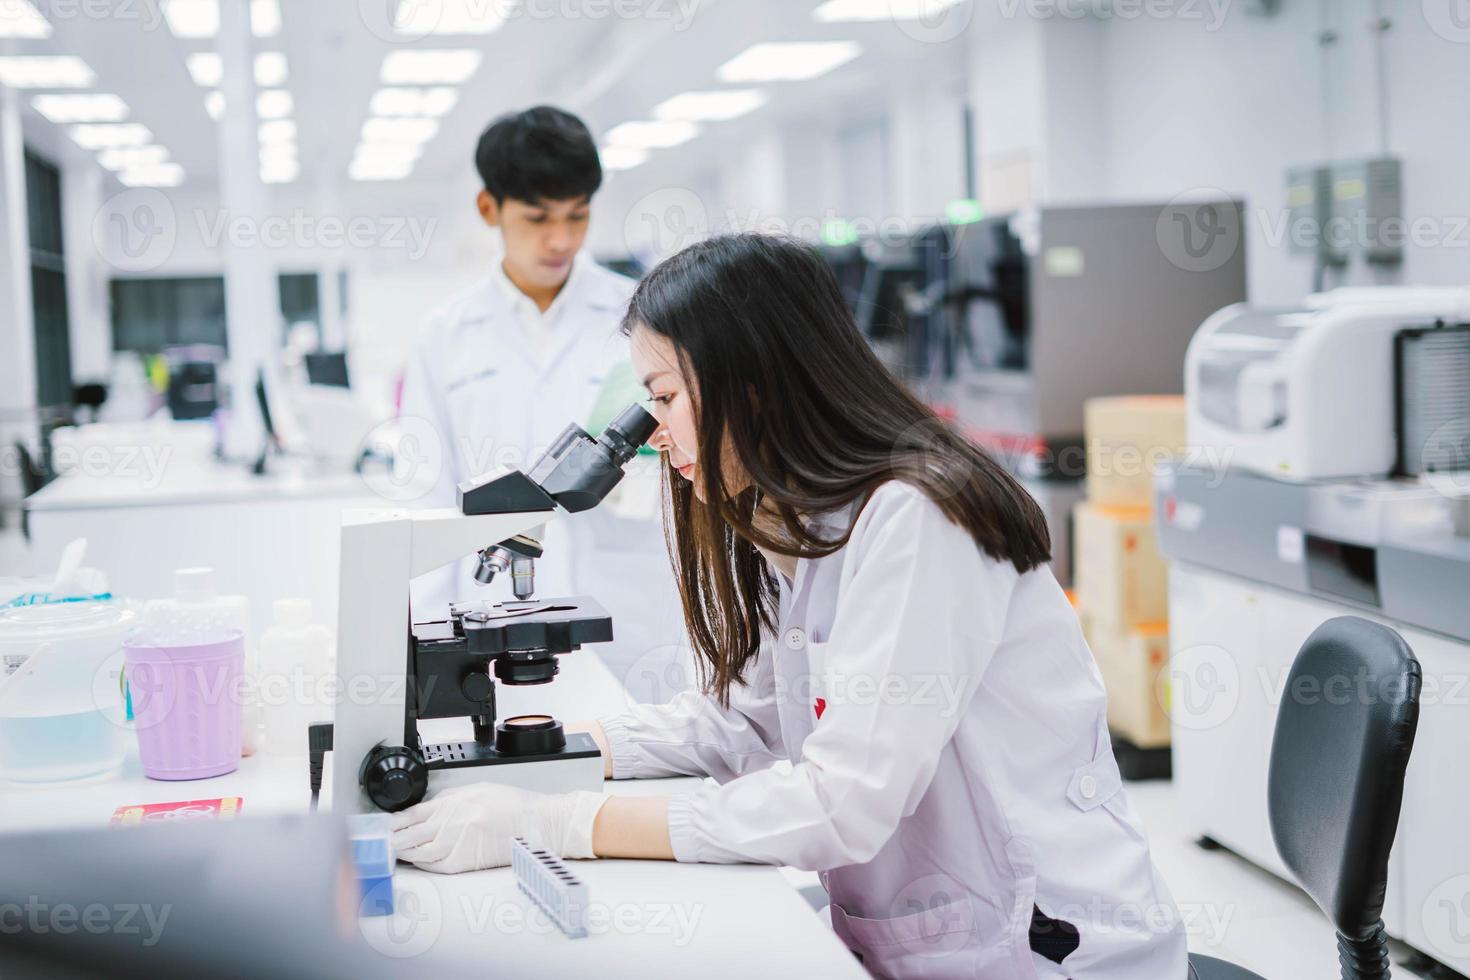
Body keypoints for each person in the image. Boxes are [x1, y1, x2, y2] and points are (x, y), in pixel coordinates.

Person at [390, 234, 1188, 978]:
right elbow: (742, 723)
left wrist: (559, 825)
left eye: (663, 398)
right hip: (912, 930)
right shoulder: (801, 518)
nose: (653, 436)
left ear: (756, 387)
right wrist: (544, 751)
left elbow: (842, 803)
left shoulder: (920, 518)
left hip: (1041, 950)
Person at [398, 105, 680, 675]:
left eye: (578, 216)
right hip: (491, 617)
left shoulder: (645, 315)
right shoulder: (446, 335)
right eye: (537, 217)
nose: (561, 238)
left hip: (633, 621)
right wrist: (426, 641)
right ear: (489, 208)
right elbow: (427, 496)